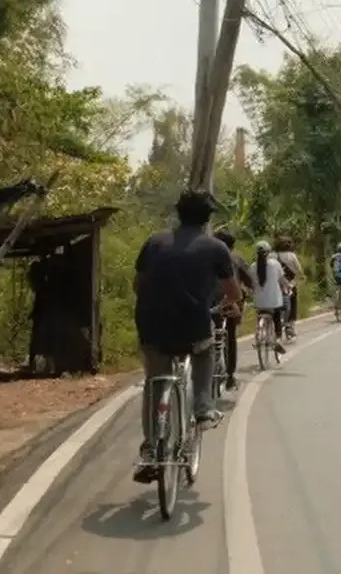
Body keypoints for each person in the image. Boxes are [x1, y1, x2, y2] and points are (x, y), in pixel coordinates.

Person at [133, 190, 241, 484]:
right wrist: (223, 306)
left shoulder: (154, 243)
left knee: (154, 383)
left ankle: (151, 446)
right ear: (208, 219)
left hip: (152, 327)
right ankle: (204, 407)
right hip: (194, 327)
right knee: (205, 354)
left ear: (177, 214)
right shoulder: (216, 248)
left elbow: (138, 285)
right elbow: (234, 293)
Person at [212, 229, 252, 390]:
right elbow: (249, 280)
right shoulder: (236, 258)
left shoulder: (205, 256)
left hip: (209, 302)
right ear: (232, 245)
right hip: (230, 302)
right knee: (230, 336)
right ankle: (230, 375)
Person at [249, 240, 289, 354]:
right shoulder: (275, 264)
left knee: (260, 314)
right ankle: (277, 339)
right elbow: (282, 280)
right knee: (277, 317)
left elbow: (251, 284)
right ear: (268, 252)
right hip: (274, 301)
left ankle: (259, 334)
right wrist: (288, 287)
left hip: (259, 302)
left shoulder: (252, 267)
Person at [274, 236, 303, 339]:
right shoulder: (292, 256)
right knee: (293, 304)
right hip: (291, 285)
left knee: (277, 306)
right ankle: (290, 326)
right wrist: (297, 280)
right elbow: (299, 271)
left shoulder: (274, 256)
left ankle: (277, 326)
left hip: (278, 285)